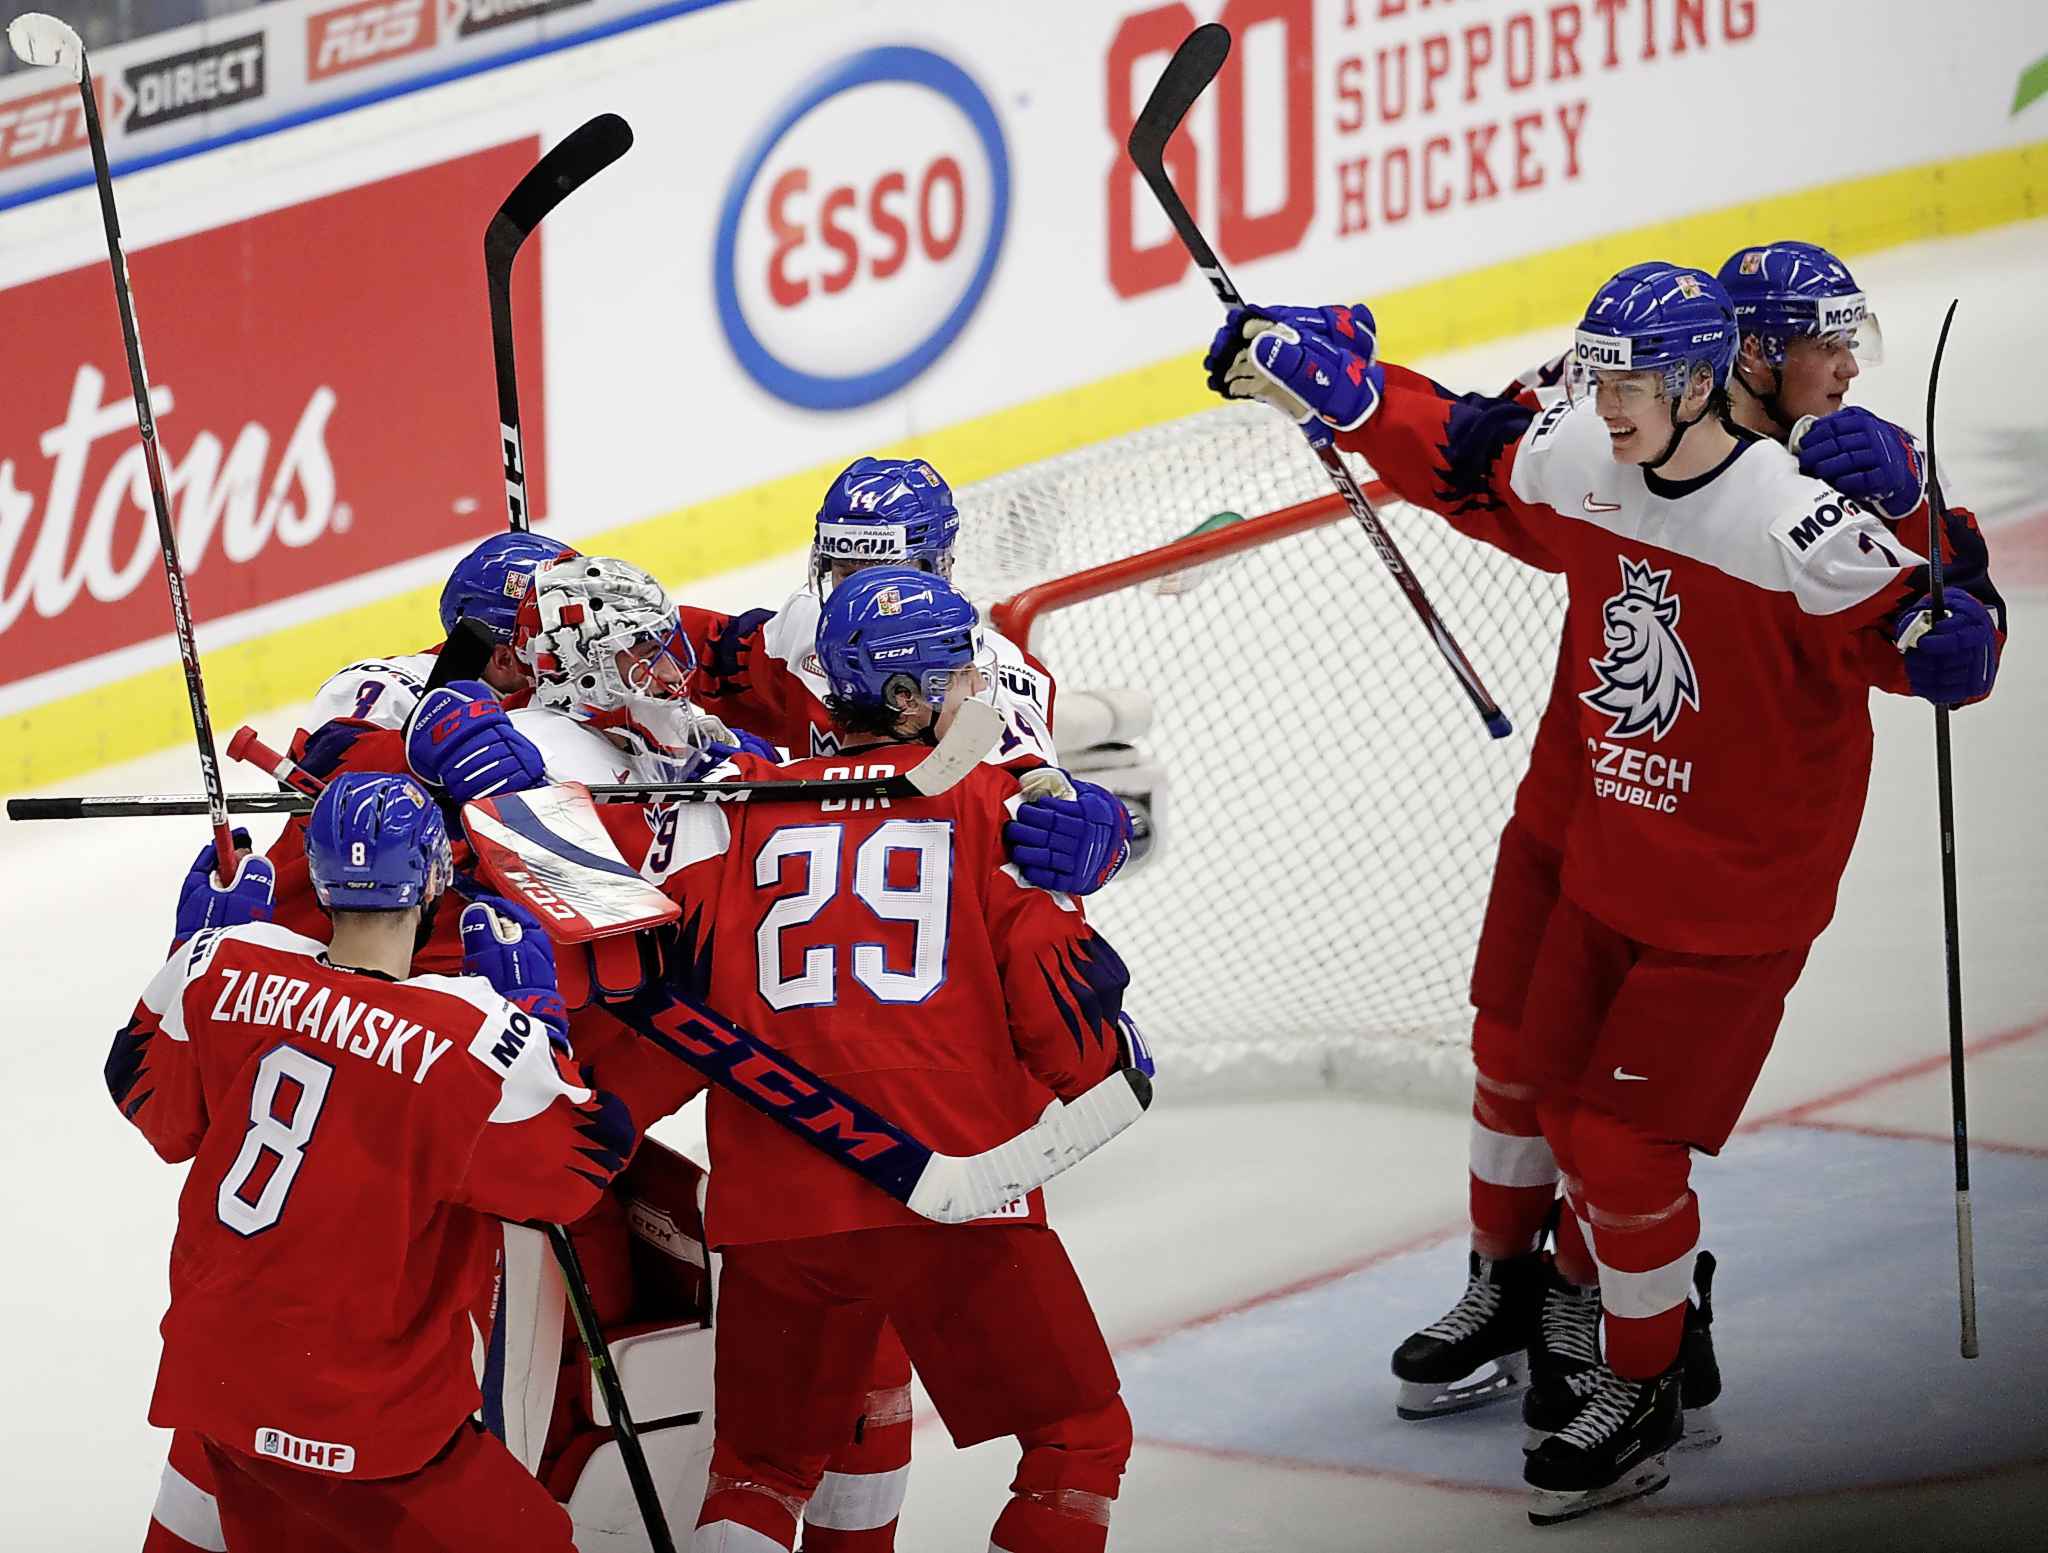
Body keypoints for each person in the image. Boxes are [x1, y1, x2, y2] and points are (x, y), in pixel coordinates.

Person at [1202, 265, 1999, 1523]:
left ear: (1696, 376)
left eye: (1628, 380)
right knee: (1523, 1064)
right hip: (1600, 826)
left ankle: (1635, 1336)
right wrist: (1350, 390)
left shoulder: (1798, 515)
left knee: (1616, 1146)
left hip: (1727, 881)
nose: (1844, 367)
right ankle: (1536, 1292)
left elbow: (1937, 634)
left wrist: (1939, 562)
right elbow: (1472, 451)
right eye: (1815, 344)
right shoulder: (1607, 443)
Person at [655, 567, 1147, 1553]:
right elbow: (1076, 1045)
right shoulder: (991, 811)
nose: (978, 687)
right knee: (1077, 1440)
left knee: (756, 1471)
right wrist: (1113, 1035)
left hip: (774, 1211)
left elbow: (662, 995)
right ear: (914, 696)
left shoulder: (736, 812)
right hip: (946, 1195)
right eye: (961, 673)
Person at [110, 774, 635, 1552]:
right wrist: (541, 1024)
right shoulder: (473, 1037)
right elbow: (583, 1168)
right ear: (432, 877)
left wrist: (183, 953)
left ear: (317, 875)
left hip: (217, 1385)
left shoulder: (220, 965)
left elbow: (143, 1092)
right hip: (369, 1424)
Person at [305, 530, 576, 733]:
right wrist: (423, 752)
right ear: (503, 660)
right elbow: (327, 785)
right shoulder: (392, 691)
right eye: (565, 639)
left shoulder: (588, 694)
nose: (585, 649)